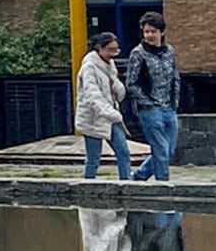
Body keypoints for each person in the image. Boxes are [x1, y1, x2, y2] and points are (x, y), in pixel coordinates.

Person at [128, 12, 181, 182]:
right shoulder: (138, 53)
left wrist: (175, 101)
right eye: (146, 32)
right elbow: (131, 83)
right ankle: (163, 184)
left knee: (169, 150)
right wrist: (147, 102)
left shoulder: (169, 51)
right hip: (150, 109)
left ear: (161, 32)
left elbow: (175, 76)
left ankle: (139, 176)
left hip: (169, 106)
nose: (150, 35)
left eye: (153, 31)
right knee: (160, 150)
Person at [76, 32, 132, 180]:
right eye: (110, 50)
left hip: (111, 115)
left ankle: (127, 183)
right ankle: (88, 185)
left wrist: (118, 87)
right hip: (93, 118)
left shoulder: (110, 65)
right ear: (99, 48)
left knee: (124, 153)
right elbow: (93, 95)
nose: (113, 54)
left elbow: (115, 89)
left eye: (116, 50)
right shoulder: (89, 67)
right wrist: (112, 114)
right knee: (94, 158)